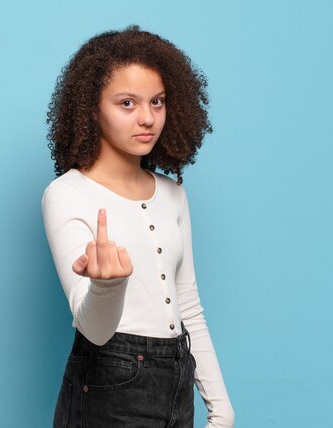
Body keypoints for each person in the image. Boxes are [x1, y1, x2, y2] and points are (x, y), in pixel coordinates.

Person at [42, 25, 235, 427]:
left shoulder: (173, 195)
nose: (147, 118)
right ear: (92, 108)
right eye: (127, 103)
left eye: (158, 102)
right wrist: (107, 285)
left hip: (177, 378)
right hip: (111, 381)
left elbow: (190, 309)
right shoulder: (67, 194)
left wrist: (221, 408)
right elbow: (94, 330)